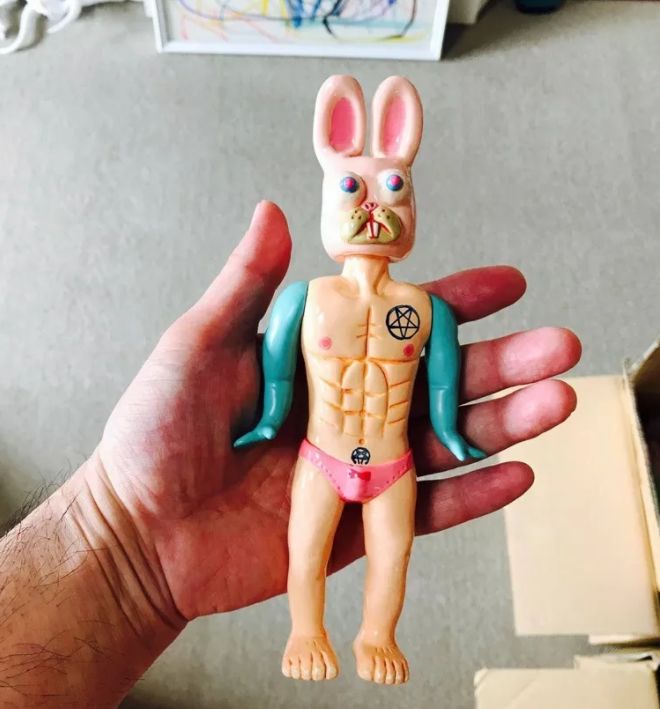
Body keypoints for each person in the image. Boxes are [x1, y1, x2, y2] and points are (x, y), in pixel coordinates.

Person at [0, 202, 581, 706]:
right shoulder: (305, 298)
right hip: (321, 457)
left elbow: (444, 384)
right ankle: (306, 632)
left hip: (394, 461)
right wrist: (268, 421)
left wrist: (450, 433)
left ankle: (377, 635)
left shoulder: (428, 311)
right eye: (353, 189)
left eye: (393, 188)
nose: (373, 209)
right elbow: (276, 371)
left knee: (393, 554)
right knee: (305, 550)